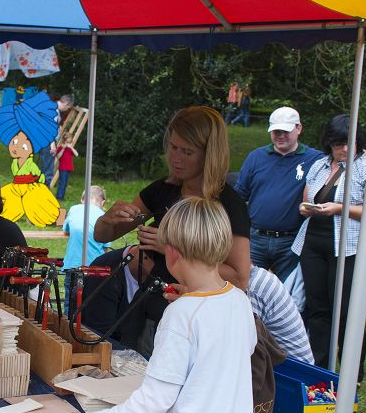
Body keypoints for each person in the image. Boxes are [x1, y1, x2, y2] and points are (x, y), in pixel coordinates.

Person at [65, 197, 289, 413]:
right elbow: (235, 352)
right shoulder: (238, 301)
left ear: (171, 253)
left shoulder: (181, 316)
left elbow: (155, 399)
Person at [94, 106, 251, 331]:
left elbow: (239, 279)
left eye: (187, 152)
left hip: (192, 319)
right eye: (173, 147)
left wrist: (170, 247)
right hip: (148, 308)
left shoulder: (229, 205)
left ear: (209, 154)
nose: (175, 158)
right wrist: (108, 220)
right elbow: (102, 236)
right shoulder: (163, 189)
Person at [291, 115, 366, 380]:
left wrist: (339, 209)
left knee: (347, 310)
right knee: (318, 309)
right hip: (313, 243)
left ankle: (350, 374)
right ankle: (319, 369)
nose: (345, 149)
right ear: (329, 144)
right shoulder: (319, 166)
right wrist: (306, 208)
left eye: (350, 143)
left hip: (348, 246)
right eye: (338, 144)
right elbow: (307, 199)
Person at [235, 106, 320, 282]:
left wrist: (363, 155)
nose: (280, 135)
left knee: (288, 293)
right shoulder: (256, 157)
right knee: (248, 287)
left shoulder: (315, 159)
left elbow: (339, 163)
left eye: (285, 131)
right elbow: (239, 195)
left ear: (298, 128)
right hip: (256, 238)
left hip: (291, 241)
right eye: (276, 131)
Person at [0, 92, 64, 227]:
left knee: (37, 202)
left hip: (31, 185)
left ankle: (53, 214)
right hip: (18, 186)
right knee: (8, 199)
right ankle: (0, 218)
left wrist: (39, 180)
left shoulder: (42, 120)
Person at [247, 265, 315, 364]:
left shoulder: (253, 287)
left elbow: (245, 349)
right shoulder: (259, 276)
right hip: (289, 367)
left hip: (294, 373)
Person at [55, 131, 77, 201]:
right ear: (65, 140)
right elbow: (58, 157)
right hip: (63, 168)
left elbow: (76, 154)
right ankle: (59, 197)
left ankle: (61, 196)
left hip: (68, 168)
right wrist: (63, 148)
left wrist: (71, 148)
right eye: (69, 139)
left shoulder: (70, 148)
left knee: (65, 183)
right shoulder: (60, 148)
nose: (71, 140)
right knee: (62, 182)